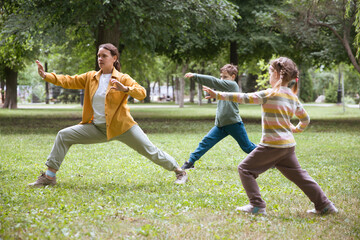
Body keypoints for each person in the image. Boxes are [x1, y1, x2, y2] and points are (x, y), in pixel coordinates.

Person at [29, 43, 188, 187]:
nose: (100, 58)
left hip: (122, 127)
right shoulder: (90, 77)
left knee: (150, 150)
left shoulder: (123, 78)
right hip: (97, 128)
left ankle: (180, 172)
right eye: (98, 55)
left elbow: (142, 93)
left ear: (114, 58)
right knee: (63, 135)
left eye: (104, 56)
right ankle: (49, 178)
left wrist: (125, 89)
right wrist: (46, 76)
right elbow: (69, 80)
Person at [203, 57, 338, 215]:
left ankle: (257, 205)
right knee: (301, 177)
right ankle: (325, 205)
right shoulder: (292, 97)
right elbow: (305, 119)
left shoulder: (269, 94)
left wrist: (217, 94)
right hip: (287, 147)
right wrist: (296, 129)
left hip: (271, 146)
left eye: (269, 72)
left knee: (245, 169)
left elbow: (243, 97)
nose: (268, 75)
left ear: (275, 74)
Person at [181, 64, 256, 170]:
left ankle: (271, 159)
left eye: (225, 77)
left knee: (247, 147)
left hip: (234, 124)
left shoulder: (232, 85)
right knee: (205, 142)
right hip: (221, 125)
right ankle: (190, 162)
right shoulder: (223, 88)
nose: (222, 79)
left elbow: (214, 81)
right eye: (221, 76)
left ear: (233, 76)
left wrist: (195, 76)